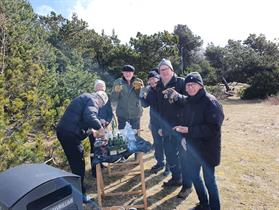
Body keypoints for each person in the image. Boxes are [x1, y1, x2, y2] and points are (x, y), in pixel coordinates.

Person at [172, 72, 224, 210]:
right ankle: (204, 204)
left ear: (200, 85)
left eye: (193, 84)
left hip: (208, 149)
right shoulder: (189, 100)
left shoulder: (211, 102)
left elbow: (213, 128)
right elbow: (186, 121)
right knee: (194, 176)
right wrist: (183, 135)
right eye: (187, 85)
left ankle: (215, 207)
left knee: (210, 181)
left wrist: (189, 131)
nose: (190, 88)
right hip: (192, 148)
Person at [56, 91, 108, 203]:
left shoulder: (86, 98)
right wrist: (100, 128)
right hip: (70, 134)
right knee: (78, 164)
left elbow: (82, 119)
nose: (99, 107)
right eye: (101, 105)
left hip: (64, 131)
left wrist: (91, 130)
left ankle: (79, 189)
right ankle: (80, 196)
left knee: (75, 163)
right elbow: (89, 116)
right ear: (100, 100)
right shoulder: (93, 100)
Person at [155, 58, 192, 198]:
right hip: (166, 127)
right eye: (161, 70)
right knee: (170, 156)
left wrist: (177, 96)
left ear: (171, 70)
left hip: (181, 127)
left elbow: (190, 102)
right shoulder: (159, 85)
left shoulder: (181, 82)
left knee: (184, 158)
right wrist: (159, 126)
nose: (164, 72)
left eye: (166, 69)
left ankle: (187, 186)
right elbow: (158, 108)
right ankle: (177, 178)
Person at [140, 69, 170, 175]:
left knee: (167, 145)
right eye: (150, 80)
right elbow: (145, 105)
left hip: (165, 123)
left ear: (159, 79)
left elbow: (166, 108)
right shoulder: (150, 91)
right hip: (154, 122)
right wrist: (141, 95)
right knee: (157, 144)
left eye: (154, 79)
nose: (152, 82)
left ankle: (169, 167)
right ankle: (160, 163)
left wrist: (163, 126)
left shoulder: (164, 89)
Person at [89, 80, 113, 177]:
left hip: (104, 126)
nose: (100, 88)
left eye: (102, 87)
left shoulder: (107, 98)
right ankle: (94, 170)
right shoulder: (91, 98)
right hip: (94, 127)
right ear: (95, 88)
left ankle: (102, 164)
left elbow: (110, 112)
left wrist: (107, 121)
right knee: (94, 147)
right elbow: (91, 114)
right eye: (98, 86)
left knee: (103, 145)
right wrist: (99, 121)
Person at [111, 64, 144, 131]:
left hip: (136, 113)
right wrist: (116, 91)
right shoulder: (117, 82)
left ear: (133, 73)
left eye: (130, 72)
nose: (127, 74)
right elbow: (114, 99)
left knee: (135, 136)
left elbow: (142, 97)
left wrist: (138, 90)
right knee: (123, 135)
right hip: (122, 114)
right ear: (122, 73)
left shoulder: (138, 81)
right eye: (125, 72)